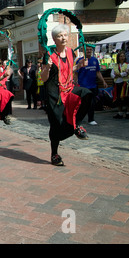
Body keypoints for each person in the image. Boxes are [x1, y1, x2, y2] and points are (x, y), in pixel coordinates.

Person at [40, 24, 93, 166]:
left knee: (86, 93)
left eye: (65, 35)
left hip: (69, 89)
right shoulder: (49, 54)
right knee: (56, 124)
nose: (63, 38)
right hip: (54, 94)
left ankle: (77, 126)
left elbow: (69, 70)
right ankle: (54, 154)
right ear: (54, 39)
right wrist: (48, 66)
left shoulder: (70, 52)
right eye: (59, 36)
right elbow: (43, 78)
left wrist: (79, 66)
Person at [75, 46, 108, 126]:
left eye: (90, 50)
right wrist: (75, 83)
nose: (89, 51)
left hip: (93, 85)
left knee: (92, 103)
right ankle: (78, 119)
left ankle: (91, 119)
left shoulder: (95, 60)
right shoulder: (80, 61)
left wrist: (103, 81)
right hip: (83, 86)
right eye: (87, 50)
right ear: (84, 51)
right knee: (83, 104)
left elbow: (98, 72)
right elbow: (76, 73)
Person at [110, 51, 129, 119]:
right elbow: (112, 74)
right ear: (118, 58)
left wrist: (119, 75)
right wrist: (118, 75)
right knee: (118, 98)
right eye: (121, 56)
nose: (122, 58)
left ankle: (128, 112)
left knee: (126, 98)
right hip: (117, 83)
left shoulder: (127, 65)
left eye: (123, 56)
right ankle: (120, 113)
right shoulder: (115, 65)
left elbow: (126, 73)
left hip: (125, 83)